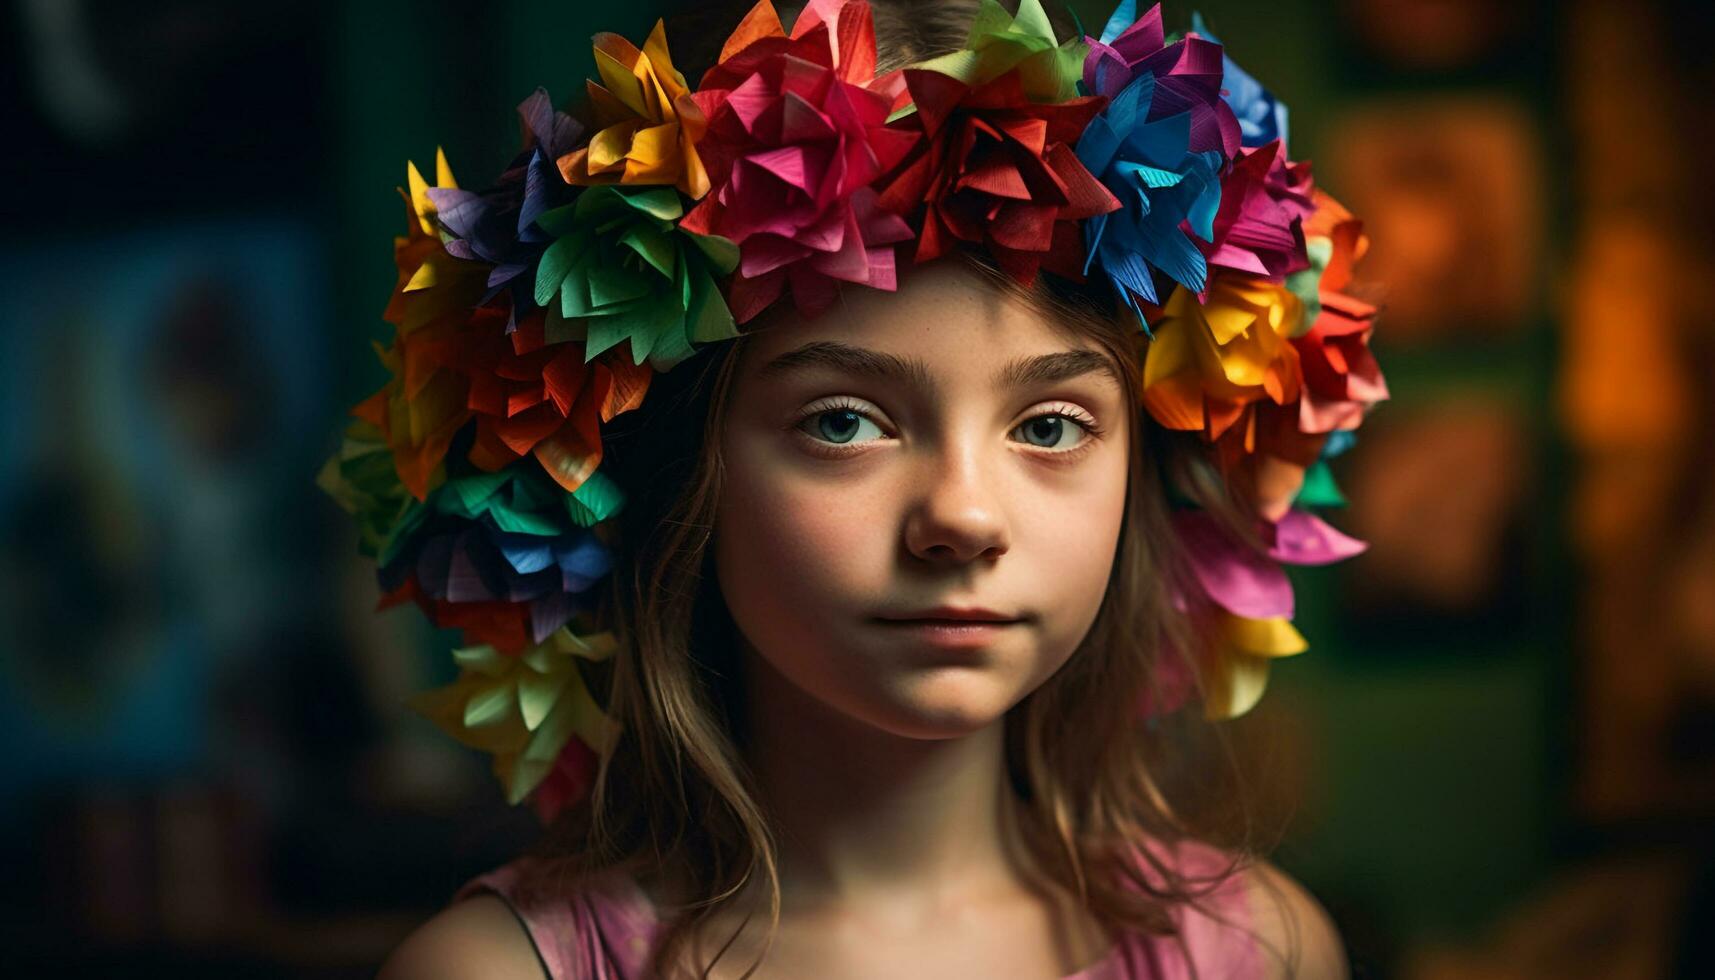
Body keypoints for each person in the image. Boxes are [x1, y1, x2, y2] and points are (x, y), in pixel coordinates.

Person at [348, 1, 1381, 976]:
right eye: (843, 421)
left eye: (1050, 425)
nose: (963, 518)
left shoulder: (1258, 953)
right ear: (668, 474)